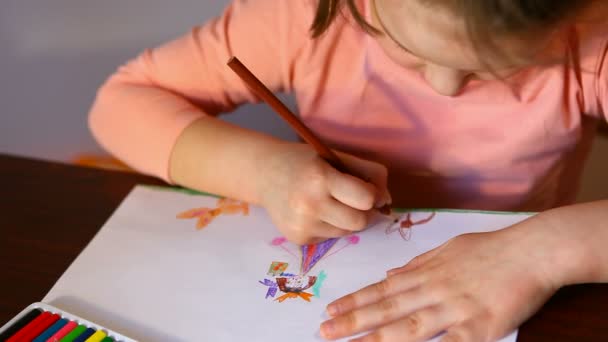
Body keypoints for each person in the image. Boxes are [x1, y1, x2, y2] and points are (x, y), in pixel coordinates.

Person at [89, 0, 608, 340]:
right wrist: (264, 172)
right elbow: (122, 104)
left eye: (497, 66)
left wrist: (542, 253)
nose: (445, 87)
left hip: (515, 296)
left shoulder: (591, 33)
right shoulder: (302, 13)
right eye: (405, 49)